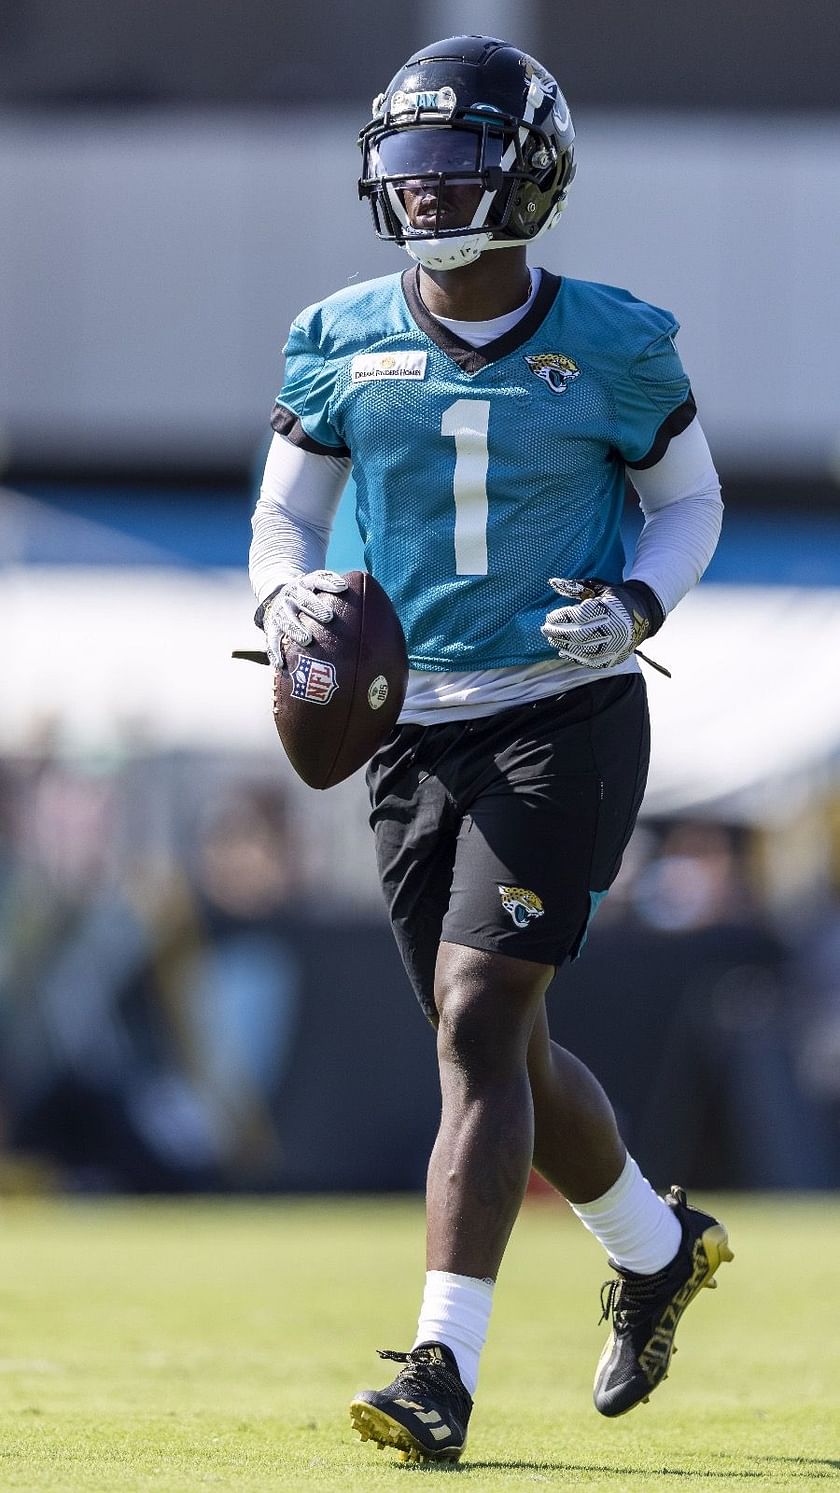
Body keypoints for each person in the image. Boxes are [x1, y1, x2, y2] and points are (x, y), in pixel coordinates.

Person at [249, 34, 730, 1464]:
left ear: (532, 178)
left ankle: (439, 1369)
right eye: (406, 167)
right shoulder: (336, 335)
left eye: (456, 165)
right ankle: (655, 1247)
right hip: (409, 727)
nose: (425, 192)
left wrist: (636, 603)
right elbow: (282, 524)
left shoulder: (618, 338)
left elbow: (692, 501)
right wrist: (286, 613)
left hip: (562, 710)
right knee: (497, 1039)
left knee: (477, 1017)